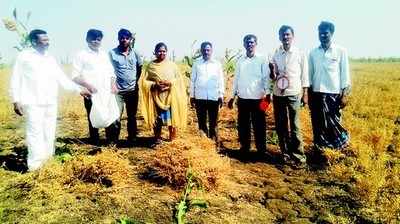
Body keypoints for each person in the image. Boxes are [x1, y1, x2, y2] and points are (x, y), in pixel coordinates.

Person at [9, 29, 91, 171]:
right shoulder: (24, 57)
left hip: (50, 101)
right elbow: (15, 78)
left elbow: (62, 79)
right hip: (32, 101)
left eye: (48, 40)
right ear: (34, 41)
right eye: (44, 40)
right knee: (35, 133)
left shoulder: (50, 59)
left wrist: (79, 90)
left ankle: (48, 163)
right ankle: (35, 167)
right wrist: (16, 100)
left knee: (49, 132)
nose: (48, 43)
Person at [72, 29, 119, 145]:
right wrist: (89, 86)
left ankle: (111, 145)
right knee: (93, 118)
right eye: (93, 39)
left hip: (107, 92)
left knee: (110, 117)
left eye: (98, 39)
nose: (96, 42)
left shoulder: (103, 54)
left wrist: (113, 85)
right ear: (87, 39)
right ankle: (95, 144)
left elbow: (111, 72)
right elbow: (75, 76)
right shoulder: (81, 55)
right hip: (91, 93)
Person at [270, 25, 308, 166]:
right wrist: (272, 71)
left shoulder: (299, 53)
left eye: (288, 35)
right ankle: (285, 154)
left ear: (292, 36)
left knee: (295, 125)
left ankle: (299, 157)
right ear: (279, 37)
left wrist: (305, 94)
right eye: (283, 35)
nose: (285, 37)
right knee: (281, 126)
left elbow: (305, 75)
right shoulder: (276, 54)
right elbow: (273, 77)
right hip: (278, 93)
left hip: (293, 93)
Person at [308, 21, 351, 150]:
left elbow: (345, 74)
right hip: (316, 93)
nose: (323, 36)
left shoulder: (340, 51)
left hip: (333, 95)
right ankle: (319, 150)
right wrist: (308, 93)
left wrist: (344, 95)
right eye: (320, 33)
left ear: (331, 34)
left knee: (333, 123)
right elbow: (310, 75)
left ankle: (335, 151)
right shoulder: (313, 52)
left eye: (326, 33)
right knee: (318, 124)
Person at [228, 34, 270, 156]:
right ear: (244, 44)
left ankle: (261, 150)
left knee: (260, 124)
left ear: (256, 44)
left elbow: (266, 78)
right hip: (243, 98)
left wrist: (268, 95)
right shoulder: (240, 60)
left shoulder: (262, 59)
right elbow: (236, 79)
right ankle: (244, 148)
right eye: (247, 42)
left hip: (259, 99)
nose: (249, 44)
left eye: (252, 42)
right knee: (243, 125)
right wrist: (232, 96)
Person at [138, 42, 187, 143]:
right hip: (156, 97)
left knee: (172, 119)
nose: (162, 53)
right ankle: (157, 138)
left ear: (166, 52)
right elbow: (144, 81)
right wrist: (155, 85)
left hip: (171, 96)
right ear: (155, 52)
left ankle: (172, 139)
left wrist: (169, 83)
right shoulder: (151, 66)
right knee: (157, 119)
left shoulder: (172, 65)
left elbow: (179, 80)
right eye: (159, 51)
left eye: (164, 51)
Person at [109, 29, 143, 144]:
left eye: (126, 38)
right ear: (118, 38)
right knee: (115, 117)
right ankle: (114, 141)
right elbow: (108, 71)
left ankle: (132, 138)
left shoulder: (136, 53)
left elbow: (139, 69)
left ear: (130, 39)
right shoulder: (112, 53)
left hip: (132, 91)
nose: (124, 40)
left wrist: (134, 82)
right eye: (122, 38)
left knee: (132, 116)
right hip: (117, 91)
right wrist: (113, 85)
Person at [190, 41, 224, 143]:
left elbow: (221, 80)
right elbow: (192, 80)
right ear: (201, 51)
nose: (206, 52)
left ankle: (214, 143)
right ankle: (204, 143)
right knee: (202, 122)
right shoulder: (197, 64)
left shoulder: (217, 64)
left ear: (212, 50)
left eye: (208, 50)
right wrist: (192, 96)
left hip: (214, 97)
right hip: (200, 97)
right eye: (204, 50)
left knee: (213, 122)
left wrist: (221, 95)